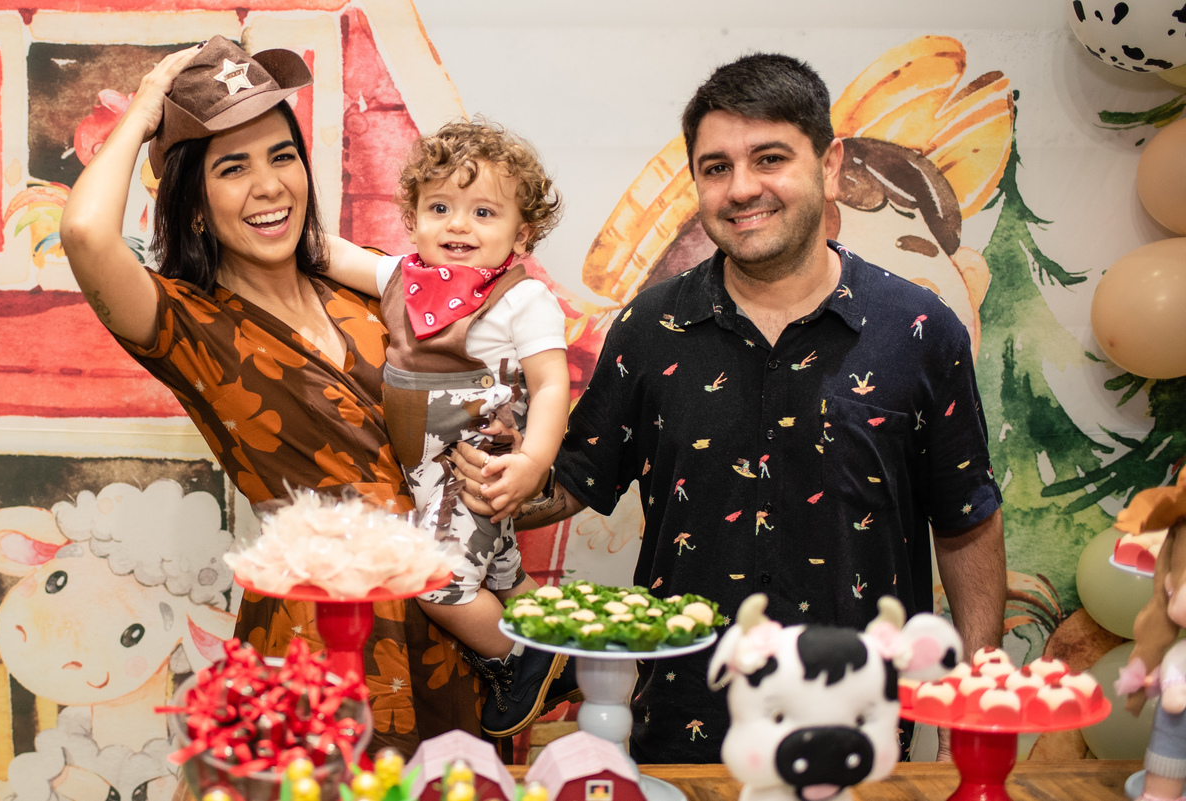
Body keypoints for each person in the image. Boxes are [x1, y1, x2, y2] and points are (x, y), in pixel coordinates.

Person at [457, 52, 1006, 764]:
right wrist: (479, 470)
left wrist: (984, 696)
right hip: (682, 727)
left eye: (769, 158)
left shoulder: (919, 329)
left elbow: (965, 518)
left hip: (856, 729)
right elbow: (571, 481)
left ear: (830, 163)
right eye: (716, 167)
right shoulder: (650, 329)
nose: (741, 188)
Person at [58, 35, 481, 757]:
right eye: (233, 167)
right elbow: (85, 231)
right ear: (192, 202)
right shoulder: (187, 323)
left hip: (447, 626)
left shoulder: (353, 289)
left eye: (282, 156)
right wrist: (144, 110)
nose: (269, 185)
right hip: (317, 642)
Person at [324, 119, 572, 737]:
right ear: (412, 218)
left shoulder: (522, 301)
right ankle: (562, 656)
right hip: (424, 473)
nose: (458, 225)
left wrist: (534, 462)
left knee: (432, 581)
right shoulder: (400, 279)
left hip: (476, 471)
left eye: (483, 211)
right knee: (502, 571)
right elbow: (331, 254)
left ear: (525, 230)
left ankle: (520, 660)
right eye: (440, 207)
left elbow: (550, 387)